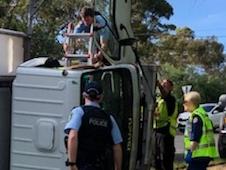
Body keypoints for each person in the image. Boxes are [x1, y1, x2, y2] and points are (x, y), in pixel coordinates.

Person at [64, 81, 122, 170]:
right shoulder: (109, 118)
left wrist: (72, 163)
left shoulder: (79, 112)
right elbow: (117, 146)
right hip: (101, 165)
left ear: (84, 95)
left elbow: (72, 137)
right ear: (101, 97)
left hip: (82, 165)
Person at [183, 91, 218, 170]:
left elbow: (195, 137)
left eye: (185, 102)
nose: (183, 104)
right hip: (204, 155)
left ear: (191, 103)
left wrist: (190, 153)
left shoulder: (196, 117)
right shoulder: (202, 114)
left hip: (198, 155)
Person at [152, 79, 178, 170]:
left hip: (167, 133)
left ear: (171, 88)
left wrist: (158, 85)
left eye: (165, 85)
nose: (162, 87)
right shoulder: (159, 100)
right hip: (157, 131)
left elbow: (165, 95)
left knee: (166, 159)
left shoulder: (171, 99)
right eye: (162, 85)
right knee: (157, 159)